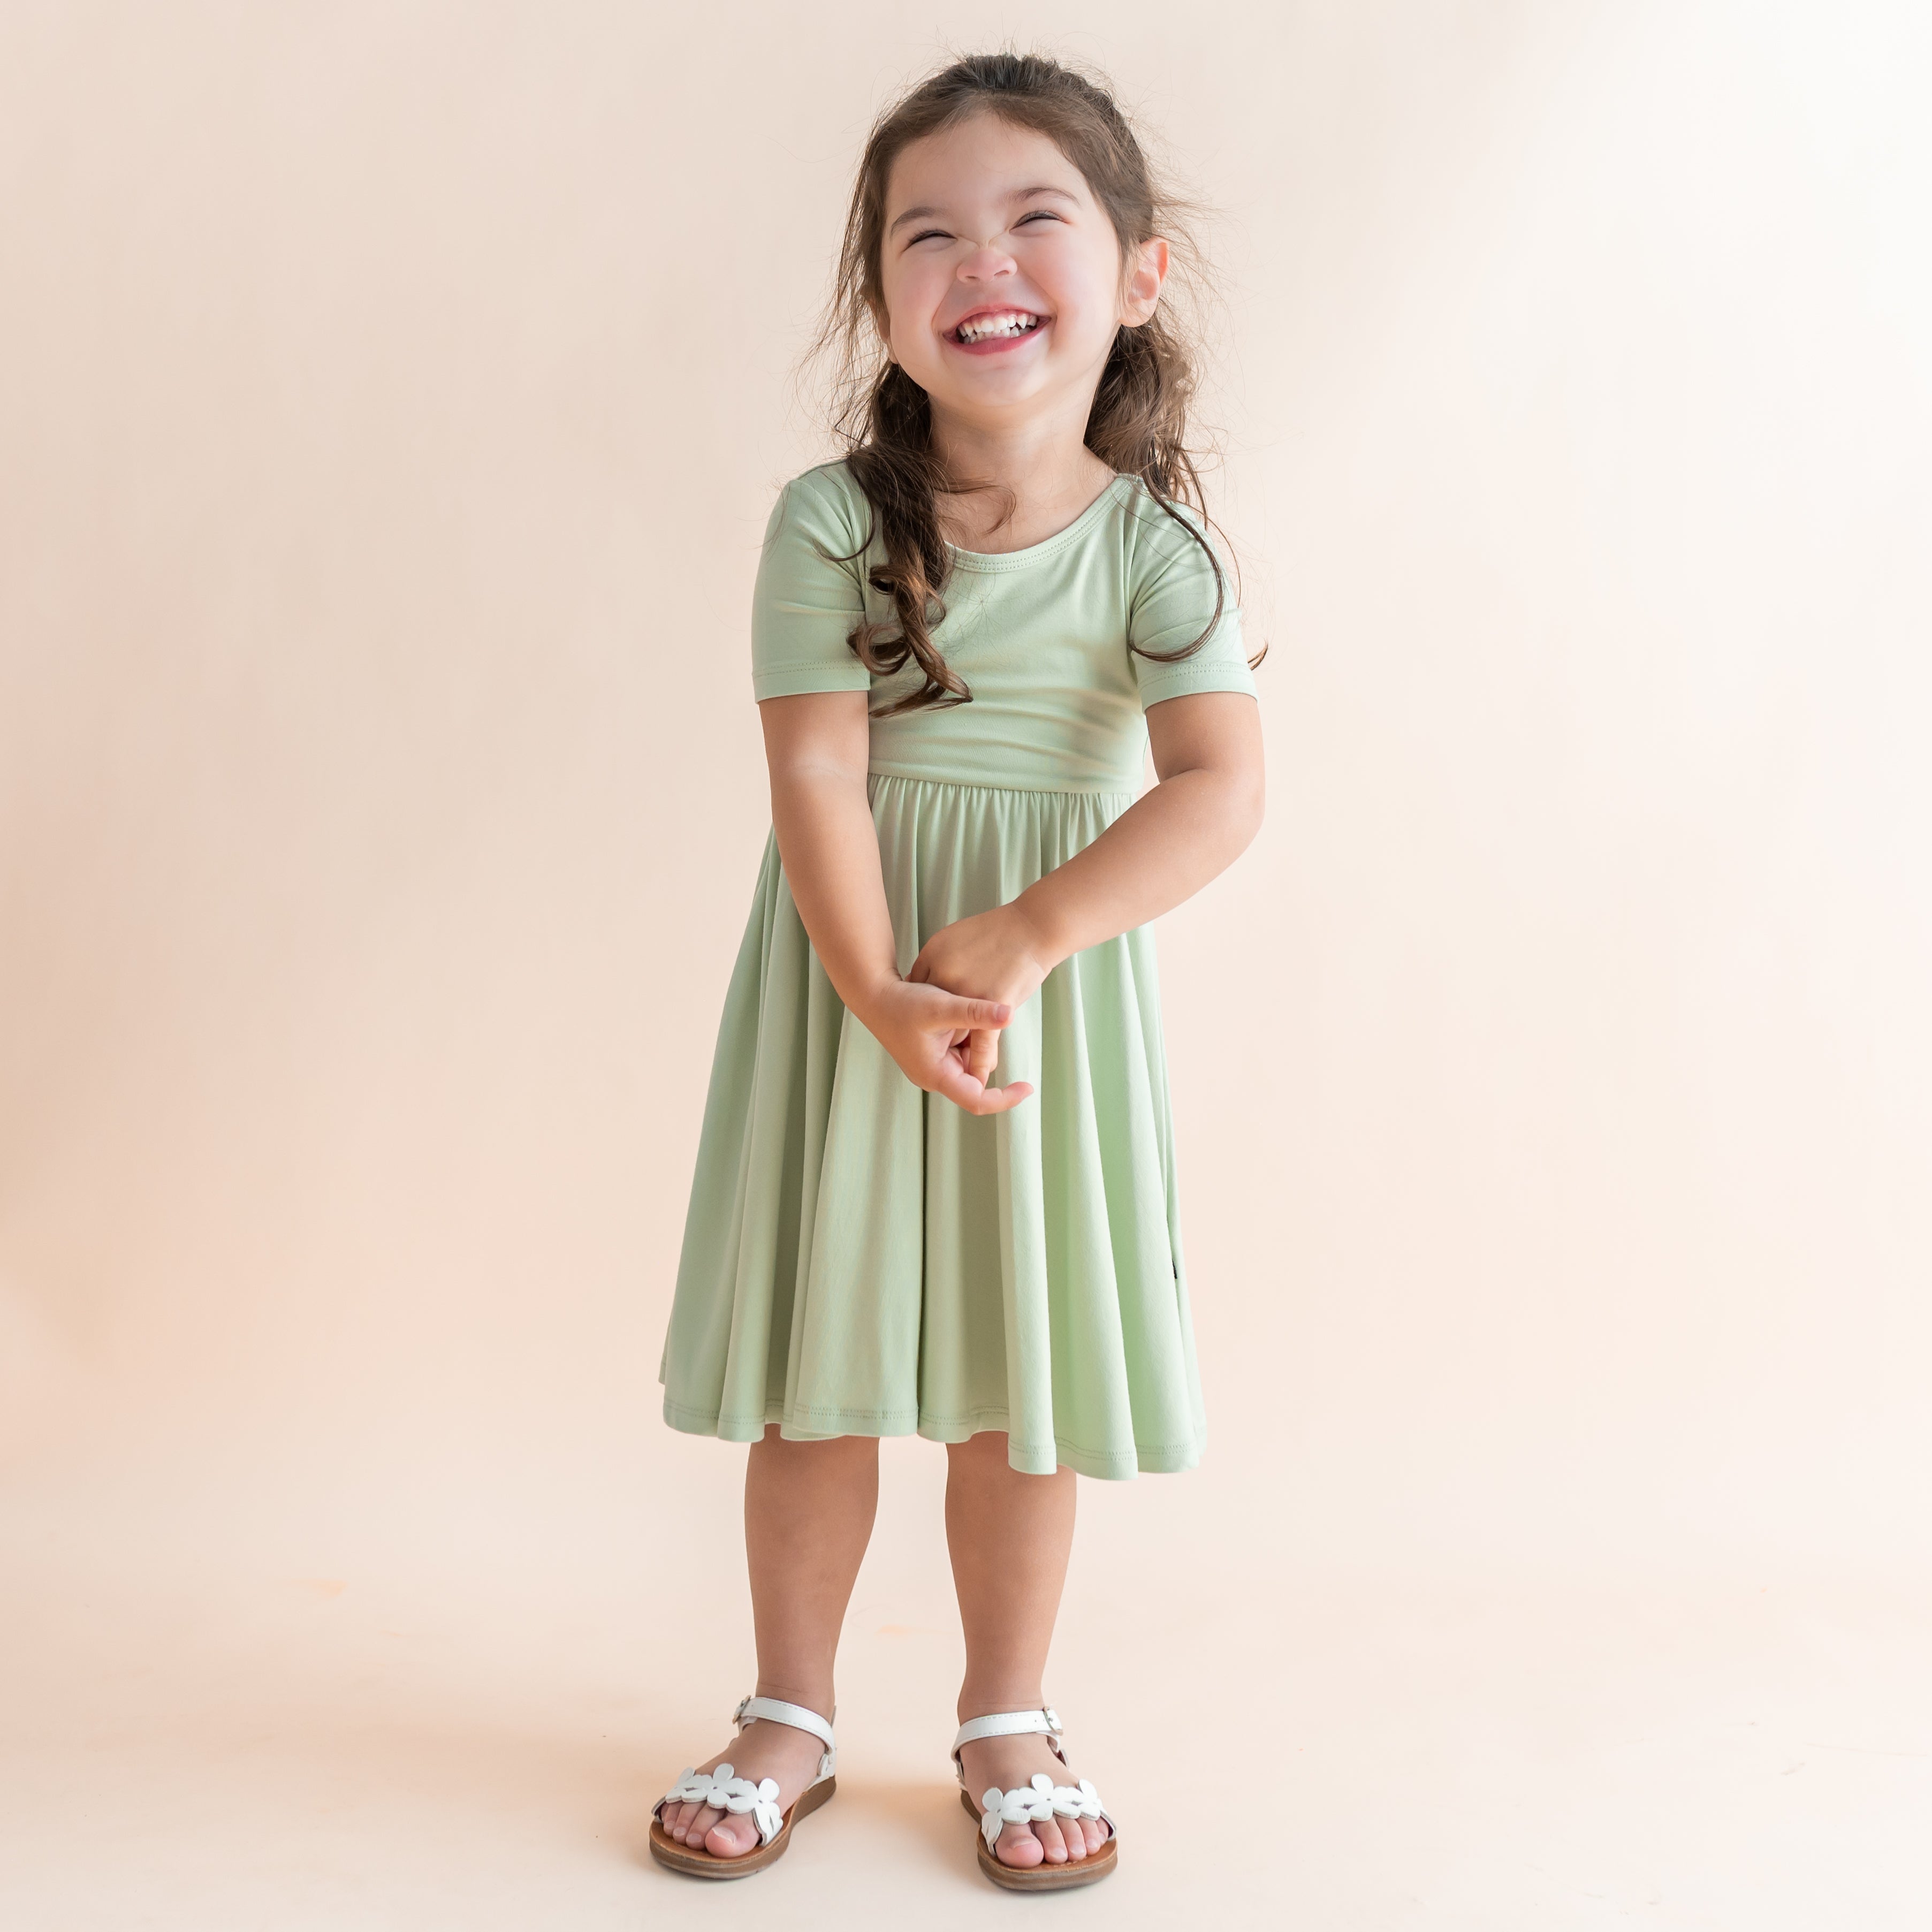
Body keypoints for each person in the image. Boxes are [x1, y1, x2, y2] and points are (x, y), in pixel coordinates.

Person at [649, 49, 1265, 1890]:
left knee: (1023, 1370)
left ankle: (1006, 1710)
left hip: (1032, 1013)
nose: (977, 259)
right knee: (818, 1373)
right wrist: (879, 984)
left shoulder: (1155, 553)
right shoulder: (831, 523)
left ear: (1135, 275)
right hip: (851, 988)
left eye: (1030, 219)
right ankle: (789, 1709)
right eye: (925, 232)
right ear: (883, 298)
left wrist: (1023, 936)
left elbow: (1222, 787)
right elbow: (818, 769)